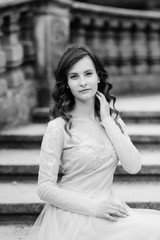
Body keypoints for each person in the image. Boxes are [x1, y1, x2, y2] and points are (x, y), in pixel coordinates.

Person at [26, 46, 160, 240]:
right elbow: (45, 188)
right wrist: (94, 207)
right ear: (67, 84)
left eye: (88, 74)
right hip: (75, 213)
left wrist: (107, 120)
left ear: (98, 76)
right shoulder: (58, 128)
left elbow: (133, 166)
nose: (82, 82)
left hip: (110, 207)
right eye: (74, 77)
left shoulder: (112, 120)